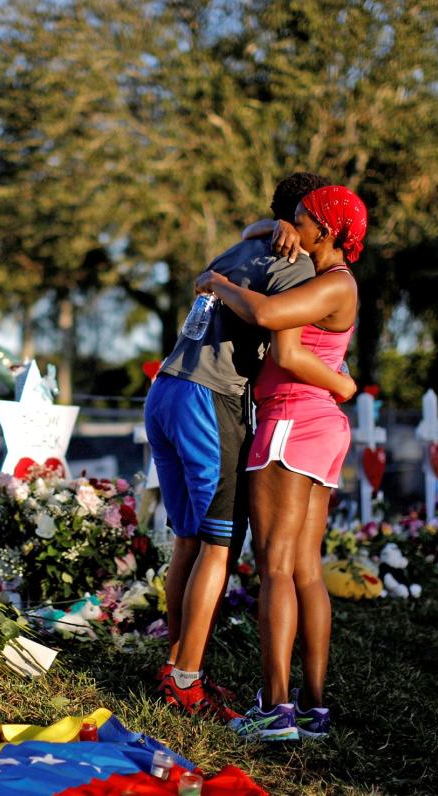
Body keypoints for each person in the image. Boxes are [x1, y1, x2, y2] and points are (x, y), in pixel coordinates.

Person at [145, 173, 357, 722]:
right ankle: (190, 679)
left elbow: (272, 314)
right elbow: (280, 342)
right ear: (301, 222)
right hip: (212, 399)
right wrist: (342, 383)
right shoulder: (298, 263)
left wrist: (222, 270)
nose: (303, 226)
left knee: (191, 541)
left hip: (167, 387)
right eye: (303, 216)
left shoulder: (248, 245)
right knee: (223, 544)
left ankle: (180, 668)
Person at [196, 184, 367, 742]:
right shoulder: (326, 277)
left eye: (302, 219)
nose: (292, 225)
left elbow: (270, 319)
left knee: (274, 569)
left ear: (329, 230)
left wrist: (218, 284)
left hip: (292, 422)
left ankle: (276, 709)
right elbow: (258, 233)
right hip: (316, 427)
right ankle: (313, 707)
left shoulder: (331, 284)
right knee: (305, 570)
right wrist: (271, 230)